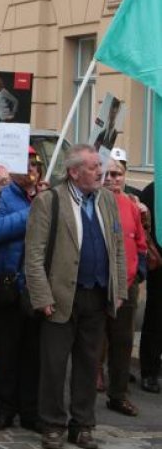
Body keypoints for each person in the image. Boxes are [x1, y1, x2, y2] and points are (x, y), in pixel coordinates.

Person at [24, 145, 126, 449]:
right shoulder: (49, 201)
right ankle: (52, 424)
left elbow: (117, 247)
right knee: (54, 365)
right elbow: (34, 254)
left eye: (100, 167)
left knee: (88, 363)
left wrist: (118, 290)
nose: (100, 173)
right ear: (74, 172)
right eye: (94, 167)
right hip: (60, 297)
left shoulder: (107, 199)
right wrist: (41, 295)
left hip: (97, 295)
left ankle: (82, 425)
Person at [0, 154, 46, 432]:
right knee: (7, 352)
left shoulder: (46, 196)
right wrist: (31, 213)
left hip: (37, 287)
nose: (30, 171)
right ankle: (3, 409)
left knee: (33, 353)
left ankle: (30, 410)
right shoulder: (6, 196)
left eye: (34, 166)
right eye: (25, 165)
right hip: (10, 285)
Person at [100, 154, 146, 417]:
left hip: (126, 284)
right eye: (106, 174)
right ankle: (80, 396)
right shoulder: (92, 201)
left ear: (124, 177)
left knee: (123, 341)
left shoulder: (130, 205)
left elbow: (140, 241)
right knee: (91, 342)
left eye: (116, 174)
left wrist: (138, 273)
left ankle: (118, 395)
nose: (111, 179)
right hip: (97, 283)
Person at [138, 180, 162, 394]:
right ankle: (150, 371)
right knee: (156, 317)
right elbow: (145, 228)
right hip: (160, 264)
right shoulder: (154, 190)